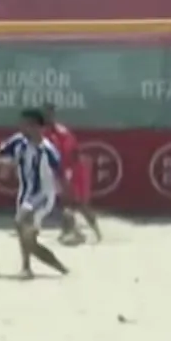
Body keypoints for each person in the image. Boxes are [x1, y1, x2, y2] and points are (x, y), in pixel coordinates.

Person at [0, 109, 70, 278]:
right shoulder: (18, 141)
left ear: (36, 126)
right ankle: (32, 268)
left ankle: (34, 268)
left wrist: (66, 206)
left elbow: (61, 176)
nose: (20, 127)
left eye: (24, 124)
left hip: (43, 196)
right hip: (25, 195)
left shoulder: (48, 150)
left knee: (23, 224)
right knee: (28, 239)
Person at [42, 104, 100, 243]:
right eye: (45, 114)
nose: (47, 116)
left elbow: (72, 152)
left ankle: (88, 231)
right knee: (67, 204)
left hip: (67, 171)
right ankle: (71, 231)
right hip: (57, 172)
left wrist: (68, 173)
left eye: (49, 113)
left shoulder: (61, 133)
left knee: (76, 204)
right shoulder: (44, 132)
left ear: (53, 114)